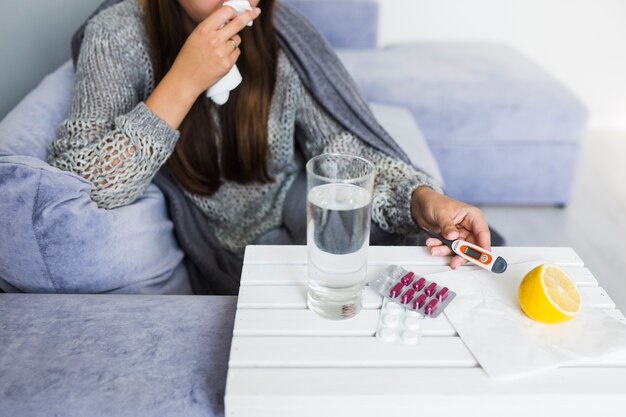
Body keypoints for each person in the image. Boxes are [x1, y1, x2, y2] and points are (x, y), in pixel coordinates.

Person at [48, 0, 497, 290]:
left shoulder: (282, 33)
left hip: (294, 200)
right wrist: (183, 81)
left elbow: (341, 146)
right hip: (223, 241)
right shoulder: (116, 35)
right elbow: (81, 186)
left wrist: (422, 198)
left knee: (390, 248)